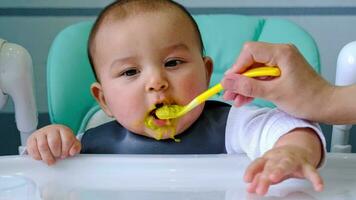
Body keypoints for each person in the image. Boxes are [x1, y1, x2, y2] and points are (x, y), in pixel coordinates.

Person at [26, 0, 326, 196]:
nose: (157, 82)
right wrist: (49, 143)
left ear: (207, 73)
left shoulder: (232, 126)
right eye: (130, 72)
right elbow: (36, 179)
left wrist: (292, 153)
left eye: (173, 63)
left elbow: (290, 129)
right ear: (103, 99)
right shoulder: (91, 144)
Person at [221, 41, 356, 124]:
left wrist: (290, 150)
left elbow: (287, 129)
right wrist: (326, 98)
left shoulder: (234, 121)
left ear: (207, 71)